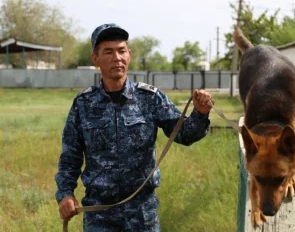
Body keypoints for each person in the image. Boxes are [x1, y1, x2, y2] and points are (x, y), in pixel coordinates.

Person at [55, 23, 215, 232]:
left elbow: (183, 133)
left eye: (122, 51)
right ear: (95, 59)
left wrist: (200, 113)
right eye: (108, 52)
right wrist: (65, 193)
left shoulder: (150, 98)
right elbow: (70, 157)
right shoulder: (83, 104)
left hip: (142, 215)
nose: (117, 58)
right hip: (99, 215)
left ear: (129, 55)